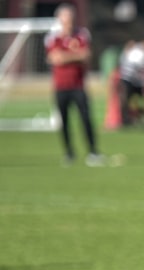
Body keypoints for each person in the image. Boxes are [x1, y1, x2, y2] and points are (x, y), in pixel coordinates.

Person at [45, 3, 102, 166]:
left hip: (78, 85)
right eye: (66, 17)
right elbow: (55, 58)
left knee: (85, 119)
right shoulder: (53, 37)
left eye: (71, 17)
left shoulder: (82, 35)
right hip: (60, 86)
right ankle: (69, 153)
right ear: (59, 19)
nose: (69, 20)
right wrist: (74, 56)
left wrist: (66, 56)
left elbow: (86, 55)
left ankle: (93, 151)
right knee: (64, 121)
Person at [118, 39, 144, 127]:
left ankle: (139, 117)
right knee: (126, 100)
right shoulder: (136, 53)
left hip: (137, 80)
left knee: (139, 100)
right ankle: (126, 120)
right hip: (129, 79)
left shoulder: (140, 52)